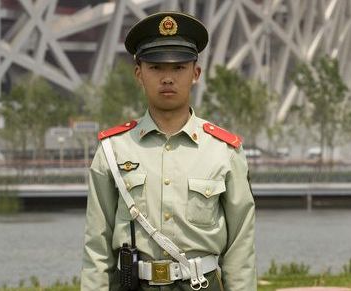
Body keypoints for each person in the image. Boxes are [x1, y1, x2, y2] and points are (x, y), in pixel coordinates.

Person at [81, 11, 256, 291]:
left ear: (195, 73)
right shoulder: (113, 150)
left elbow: (240, 248)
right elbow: (97, 249)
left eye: (178, 68)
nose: (167, 78)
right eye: (156, 67)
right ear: (139, 74)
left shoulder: (224, 151)